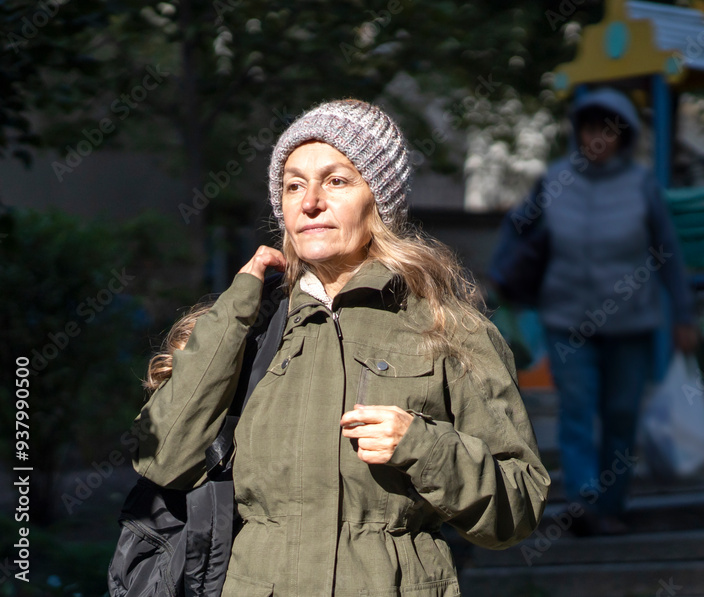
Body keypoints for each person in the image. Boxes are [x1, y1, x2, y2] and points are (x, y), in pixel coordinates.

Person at [131, 99, 549, 596]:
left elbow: (518, 508)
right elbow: (162, 458)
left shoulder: (448, 329)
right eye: (293, 185)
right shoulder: (247, 324)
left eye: (336, 180)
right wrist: (237, 307)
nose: (309, 202)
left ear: (381, 198)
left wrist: (423, 446)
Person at [493, 87, 696, 536]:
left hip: (632, 323)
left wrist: (684, 315)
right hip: (567, 319)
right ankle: (583, 500)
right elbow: (516, 227)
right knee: (577, 409)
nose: (596, 139)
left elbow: (669, 254)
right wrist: (502, 278)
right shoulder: (555, 181)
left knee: (621, 413)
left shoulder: (641, 185)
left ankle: (612, 504)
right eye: (589, 129)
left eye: (606, 130)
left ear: (622, 137)